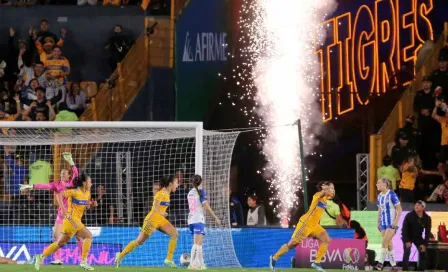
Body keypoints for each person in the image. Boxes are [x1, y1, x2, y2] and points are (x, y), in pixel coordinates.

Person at [21, 152, 82, 265]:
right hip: (61, 214)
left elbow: (76, 174)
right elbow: (44, 186)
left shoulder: (72, 183)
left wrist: (71, 162)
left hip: (72, 213)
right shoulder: (57, 184)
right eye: (61, 173)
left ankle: (84, 259)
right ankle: (58, 259)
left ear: (69, 176)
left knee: (79, 236)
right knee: (56, 236)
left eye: (64, 173)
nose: (62, 175)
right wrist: (31, 186)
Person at [33, 172, 95, 271]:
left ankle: (39, 257)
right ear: (84, 183)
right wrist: (63, 209)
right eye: (90, 181)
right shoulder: (74, 192)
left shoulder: (87, 193)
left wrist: (92, 205)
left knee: (59, 243)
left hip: (74, 221)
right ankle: (83, 262)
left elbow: (87, 205)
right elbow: (60, 194)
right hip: (70, 220)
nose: (91, 183)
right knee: (88, 236)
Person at [114, 175, 179, 268]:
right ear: (170, 184)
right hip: (151, 220)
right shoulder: (161, 193)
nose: (178, 185)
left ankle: (169, 259)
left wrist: (162, 214)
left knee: (175, 234)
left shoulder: (167, 193)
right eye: (176, 182)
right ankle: (120, 256)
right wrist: (161, 212)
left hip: (160, 220)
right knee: (139, 241)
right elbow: (154, 207)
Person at [270, 181, 335, 272]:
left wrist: (329, 190)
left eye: (333, 188)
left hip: (314, 225)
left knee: (327, 240)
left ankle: (317, 262)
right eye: (331, 188)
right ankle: (274, 257)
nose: (333, 190)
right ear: (324, 187)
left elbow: (330, 195)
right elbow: (322, 193)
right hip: (306, 224)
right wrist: (325, 190)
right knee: (292, 244)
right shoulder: (318, 195)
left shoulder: (325, 199)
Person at [187, 175, 221, 269]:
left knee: (199, 244)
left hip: (191, 219)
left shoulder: (190, 192)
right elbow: (207, 207)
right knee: (197, 244)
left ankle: (202, 264)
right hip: (198, 219)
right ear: (201, 182)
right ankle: (192, 264)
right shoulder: (201, 192)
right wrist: (215, 217)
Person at [375, 178, 402, 271]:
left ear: (385, 184)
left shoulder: (392, 195)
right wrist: (378, 221)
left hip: (391, 223)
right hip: (383, 223)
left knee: (384, 242)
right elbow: (379, 209)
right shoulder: (379, 196)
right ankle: (394, 265)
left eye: (379, 183)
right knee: (389, 243)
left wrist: (396, 222)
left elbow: (399, 209)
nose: (376, 184)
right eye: (377, 183)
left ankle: (380, 263)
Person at [401, 200, 431, 271]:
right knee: (407, 251)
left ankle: (421, 269)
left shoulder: (427, 218)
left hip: (418, 237)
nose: (416, 206)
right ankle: (405, 269)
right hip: (408, 236)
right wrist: (407, 241)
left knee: (423, 251)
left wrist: (424, 244)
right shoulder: (409, 215)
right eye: (416, 205)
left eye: (419, 205)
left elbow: (427, 232)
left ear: (423, 207)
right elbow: (404, 229)